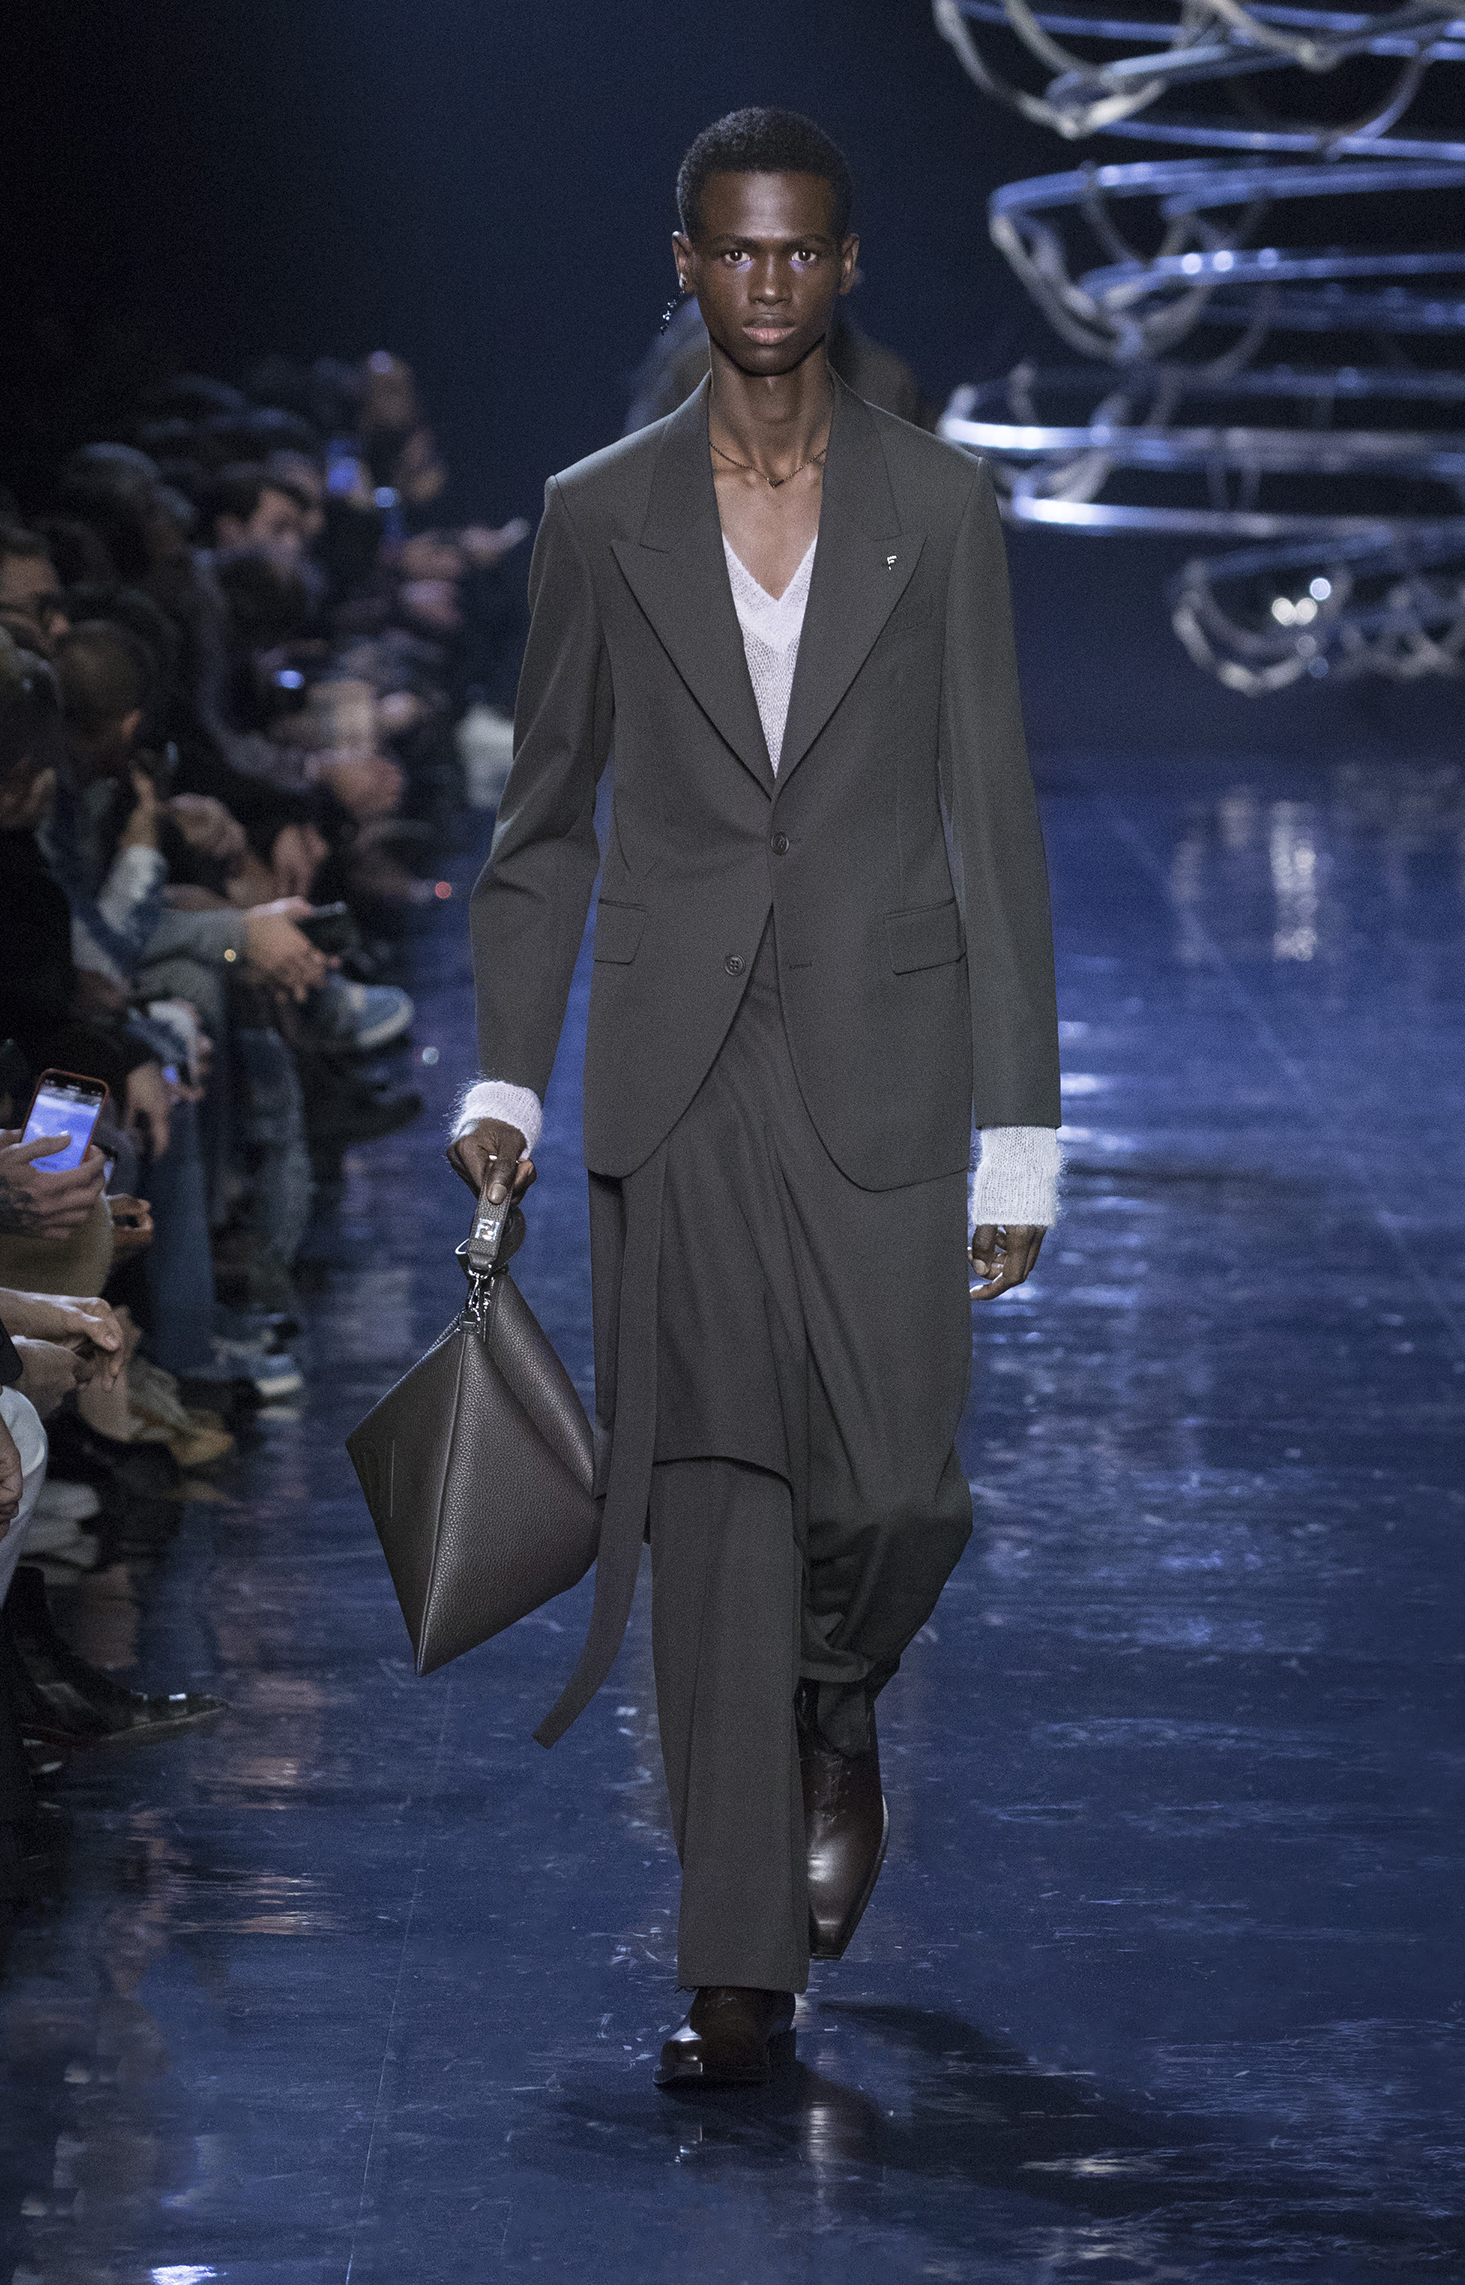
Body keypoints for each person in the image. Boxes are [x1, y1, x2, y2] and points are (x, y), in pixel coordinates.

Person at [449, 108, 1061, 2086]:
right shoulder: (599, 511)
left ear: (847, 264)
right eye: (738, 250)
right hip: (677, 1068)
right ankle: (735, 1971)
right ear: (687, 264)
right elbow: (545, 820)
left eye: (802, 251)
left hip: (889, 1049)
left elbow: (994, 817)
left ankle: (833, 1691)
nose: (770, 282)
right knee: (713, 1504)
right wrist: (508, 1075)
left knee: (891, 1492)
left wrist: (1022, 1132)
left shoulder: (940, 506)